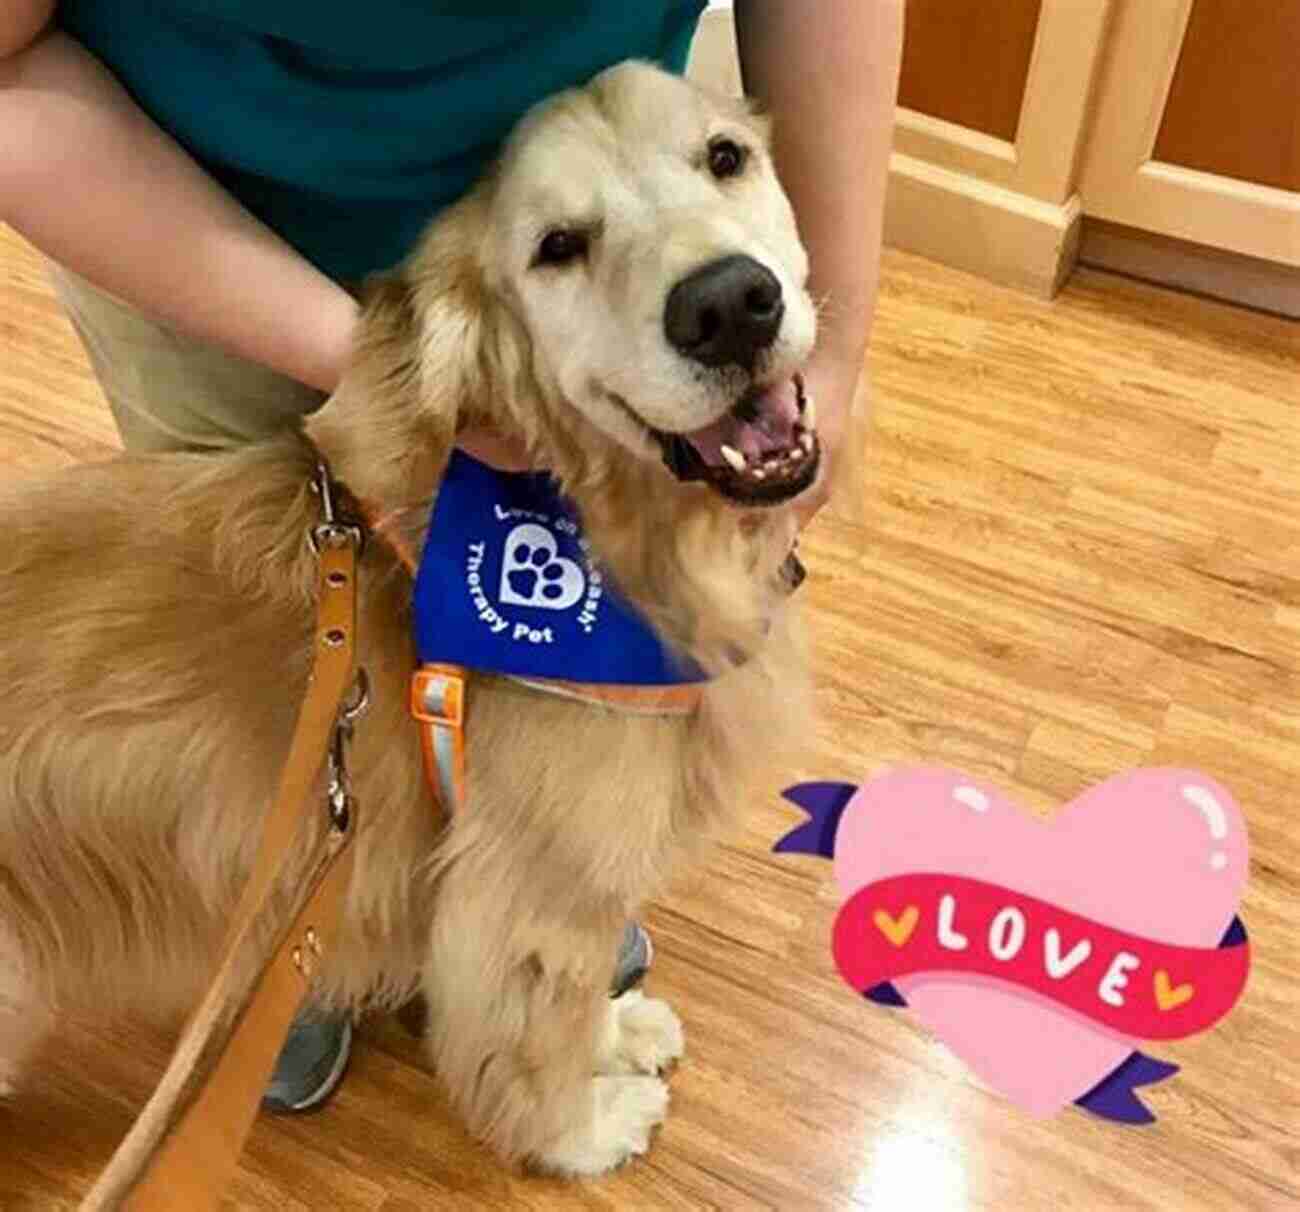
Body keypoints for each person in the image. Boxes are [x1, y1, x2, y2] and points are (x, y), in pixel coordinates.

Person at [0, 1, 904, 1113]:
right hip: (187, 215)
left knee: (561, 826)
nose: (717, 282)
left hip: (556, 215)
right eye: (567, 247)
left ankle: (538, 918)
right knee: (261, 686)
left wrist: (845, 336)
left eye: (723, 160)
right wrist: (377, 364)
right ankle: (322, 946)